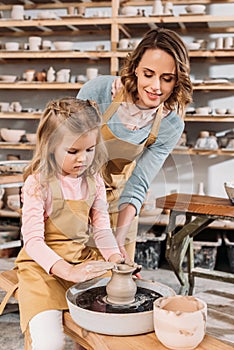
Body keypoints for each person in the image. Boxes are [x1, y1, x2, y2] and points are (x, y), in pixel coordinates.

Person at [15, 97, 123, 350]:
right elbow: (32, 241)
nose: (82, 159)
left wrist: (117, 259)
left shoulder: (94, 181)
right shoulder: (38, 183)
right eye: (73, 151)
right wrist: (66, 271)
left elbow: (102, 230)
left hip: (81, 261)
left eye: (90, 149)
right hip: (43, 269)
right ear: (51, 146)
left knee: (110, 326)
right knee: (50, 342)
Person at [77, 28, 193, 260]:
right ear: (135, 69)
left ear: (178, 80)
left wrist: (118, 239)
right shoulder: (98, 92)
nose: (156, 87)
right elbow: (63, 150)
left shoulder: (170, 125)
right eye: (148, 74)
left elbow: (138, 183)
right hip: (78, 197)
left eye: (167, 79)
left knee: (117, 281)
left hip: (122, 207)